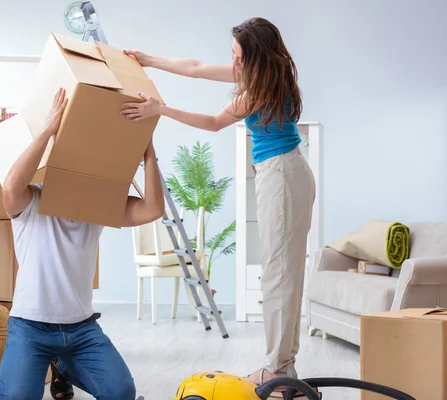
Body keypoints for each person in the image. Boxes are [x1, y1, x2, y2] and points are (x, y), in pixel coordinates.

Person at [121, 17, 316, 398]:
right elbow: (194, 68)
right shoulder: (266, 74)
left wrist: (160, 110)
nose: (234, 63)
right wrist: (149, 59)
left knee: (278, 276)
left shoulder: (260, 89)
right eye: (233, 56)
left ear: (256, 57)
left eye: (239, 57)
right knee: (284, 273)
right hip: (285, 173)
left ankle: (276, 368)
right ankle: (284, 364)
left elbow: (213, 123)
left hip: (281, 176)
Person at [0, 87, 165, 400]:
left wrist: (147, 150)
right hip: (30, 327)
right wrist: (49, 129)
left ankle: (63, 365)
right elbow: (9, 188)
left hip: (80, 329)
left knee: (121, 393)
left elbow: (153, 208)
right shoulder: (31, 199)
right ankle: (56, 364)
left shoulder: (96, 204)